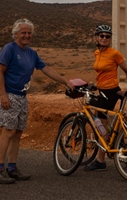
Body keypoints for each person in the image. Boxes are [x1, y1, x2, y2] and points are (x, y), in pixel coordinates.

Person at [0, 19, 74, 184]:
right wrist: (2, 95)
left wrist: (65, 81)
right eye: (23, 33)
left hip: (22, 97)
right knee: (8, 131)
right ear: (16, 34)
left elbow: (46, 69)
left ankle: (12, 168)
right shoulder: (9, 49)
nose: (26, 36)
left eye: (29, 33)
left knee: (18, 133)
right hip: (10, 95)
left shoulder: (31, 53)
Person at [84, 24, 127, 171]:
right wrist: (96, 85)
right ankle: (117, 141)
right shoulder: (97, 53)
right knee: (100, 121)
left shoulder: (114, 53)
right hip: (102, 91)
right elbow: (101, 72)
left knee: (102, 125)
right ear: (96, 37)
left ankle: (100, 160)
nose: (104, 38)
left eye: (107, 36)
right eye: (102, 36)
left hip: (112, 91)